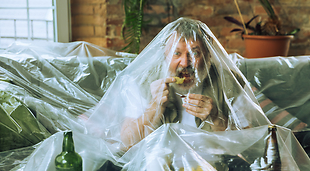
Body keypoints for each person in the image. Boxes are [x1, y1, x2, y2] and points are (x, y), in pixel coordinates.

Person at [84, 18, 269, 152]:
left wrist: (216, 120)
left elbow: (250, 145)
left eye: (194, 53)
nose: (184, 63)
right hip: (156, 170)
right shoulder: (142, 82)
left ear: (208, 53)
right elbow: (127, 142)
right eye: (176, 53)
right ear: (164, 53)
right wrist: (154, 108)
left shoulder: (230, 82)